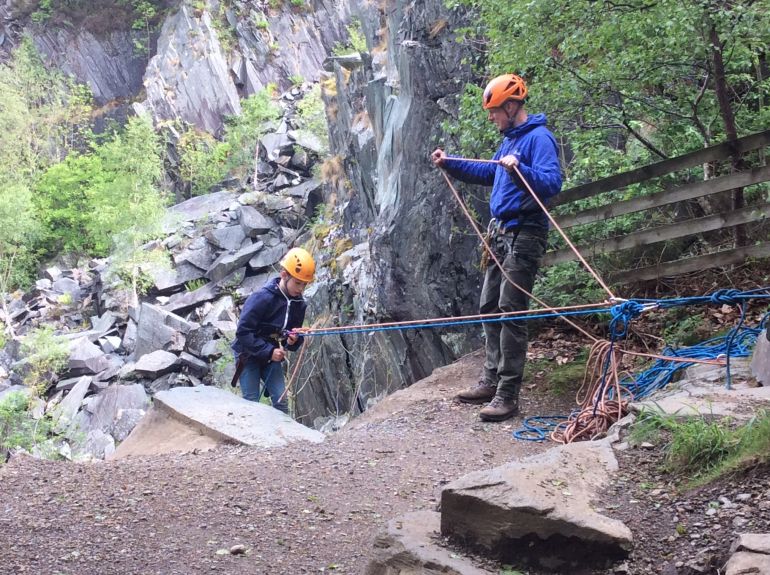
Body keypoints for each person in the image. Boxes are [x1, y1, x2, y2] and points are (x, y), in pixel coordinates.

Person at [431, 73, 562, 422]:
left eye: (494, 111)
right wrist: (450, 163)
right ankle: (491, 379)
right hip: (501, 234)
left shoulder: (539, 139)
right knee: (489, 305)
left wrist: (521, 171)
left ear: (511, 106)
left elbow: (552, 182)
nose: (491, 118)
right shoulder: (509, 141)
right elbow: (488, 172)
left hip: (525, 233)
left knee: (511, 310)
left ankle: (508, 393)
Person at [231, 247, 315, 413]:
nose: (300, 289)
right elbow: (243, 332)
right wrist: (269, 351)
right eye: (297, 283)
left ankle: (285, 438)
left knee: (281, 401)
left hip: (272, 356)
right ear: (284, 275)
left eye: (304, 285)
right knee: (251, 402)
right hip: (248, 354)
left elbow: (291, 339)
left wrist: (293, 340)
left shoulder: (299, 305)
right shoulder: (261, 298)